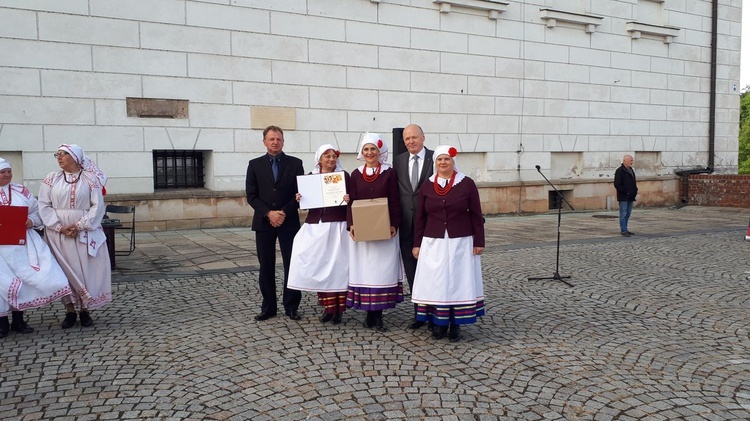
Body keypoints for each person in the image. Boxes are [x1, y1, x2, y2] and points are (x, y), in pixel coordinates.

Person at [411, 145, 485, 342]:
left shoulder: (466, 183)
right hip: (433, 241)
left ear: (453, 162)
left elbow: (477, 214)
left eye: (447, 159)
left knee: (458, 282)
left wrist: (479, 241)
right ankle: (438, 324)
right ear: (435, 163)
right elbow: (420, 217)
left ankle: (456, 325)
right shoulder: (427, 185)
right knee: (437, 283)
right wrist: (416, 244)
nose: (443, 163)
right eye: (439, 160)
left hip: (460, 241)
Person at [38, 144, 112, 329]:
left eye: (64, 154)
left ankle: (85, 310)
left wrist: (80, 226)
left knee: (84, 270)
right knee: (63, 271)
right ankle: (69, 310)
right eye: (58, 154)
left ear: (75, 157)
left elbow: (97, 206)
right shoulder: (51, 179)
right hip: (58, 232)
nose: (59, 157)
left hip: (85, 231)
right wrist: (59, 226)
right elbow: (43, 204)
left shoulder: (90, 179)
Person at [0, 158, 72, 337]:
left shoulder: (21, 191)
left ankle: (19, 321)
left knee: (23, 279)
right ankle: (2, 324)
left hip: (21, 246)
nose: (7, 175)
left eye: (9, 171)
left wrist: (31, 221)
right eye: (2, 172)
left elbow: (37, 211)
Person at [246, 125, 304, 321]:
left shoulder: (296, 164)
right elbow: (251, 196)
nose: (275, 142)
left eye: (278, 139)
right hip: (263, 223)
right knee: (266, 265)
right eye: (271, 139)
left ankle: (291, 306)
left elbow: (299, 194)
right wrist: (269, 213)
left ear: (283, 141)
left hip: (289, 221)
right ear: (264, 141)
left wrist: (282, 213)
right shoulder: (254, 165)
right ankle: (268, 307)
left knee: (292, 264)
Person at [288, 144, 351, 324]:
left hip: (337, 227)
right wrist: (301, 199)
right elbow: (306, 204)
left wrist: (348, 198)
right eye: (327, 156)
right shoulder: (310, 178)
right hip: (316, 226)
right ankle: (327, 307)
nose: (331, 159)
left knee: (338, 268)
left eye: (334, 156)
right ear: (319, 158)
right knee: (320, 265)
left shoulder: (343, 176)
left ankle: (338, 310)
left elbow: (352, 200)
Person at [346, 132, 403, 332]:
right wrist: (351, 224)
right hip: (362, 231)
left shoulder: (389, 172)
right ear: (362, 152)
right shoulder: (355, 174)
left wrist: (394, 224)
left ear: (380, 152)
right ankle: (368, 312)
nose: (370, 153)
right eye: (366, 149)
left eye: (373, 149)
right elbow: (351, 201)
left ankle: (377, 315)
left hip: (384, 229)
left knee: (381, 271)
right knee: (365, 270)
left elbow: (395, 200)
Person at [394, 124, 434, 330]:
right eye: (407, 138)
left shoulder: (437, 158)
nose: (410, 141)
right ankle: (419, 313)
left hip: (431, 226)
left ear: (423, 137)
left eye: (414, 137)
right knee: (412, 271)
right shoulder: (399, 161)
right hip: (407, 226)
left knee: (432, 271)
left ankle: (436, 312)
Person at [614, 154, 638, 237]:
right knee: (623, 213)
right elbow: (617, 184)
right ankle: (623, 230)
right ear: (625, 161)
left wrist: (635, 191)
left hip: (631, 196)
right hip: (623, 196)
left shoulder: (631, 170)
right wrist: (626, 192)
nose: (632, 162)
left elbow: (633, 182)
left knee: (628, 213)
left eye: (632, 160)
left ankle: (626, 229)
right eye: (630, 160)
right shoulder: (620, 171)